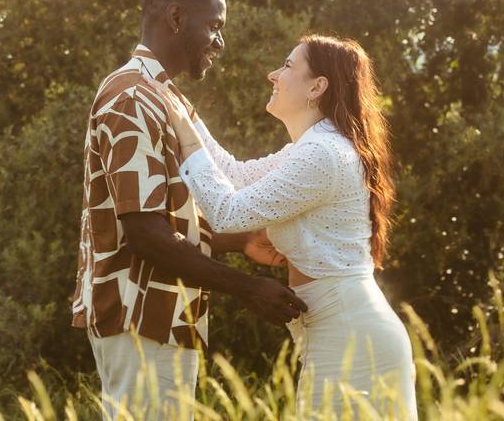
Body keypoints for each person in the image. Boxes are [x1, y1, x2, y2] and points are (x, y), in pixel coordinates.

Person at [71, 0, 307, 420]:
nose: (219, 42)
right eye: (214, 26)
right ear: (176, 17)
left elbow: (161, 220)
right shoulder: (133, 97)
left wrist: (237, 242)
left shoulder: (162, 96)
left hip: (165, 316)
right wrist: (247, 288)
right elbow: (143, 234)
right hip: (139, 316)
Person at [148, 35, 418, 419]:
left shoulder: (323, 153)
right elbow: (234, 174)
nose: (273, 74)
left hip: (353, 338)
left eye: (288, 65)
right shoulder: (314, 147)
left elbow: (227, 212)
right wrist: (185, 113)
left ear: (317, 86)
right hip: (339, 328)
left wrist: (187, 145)